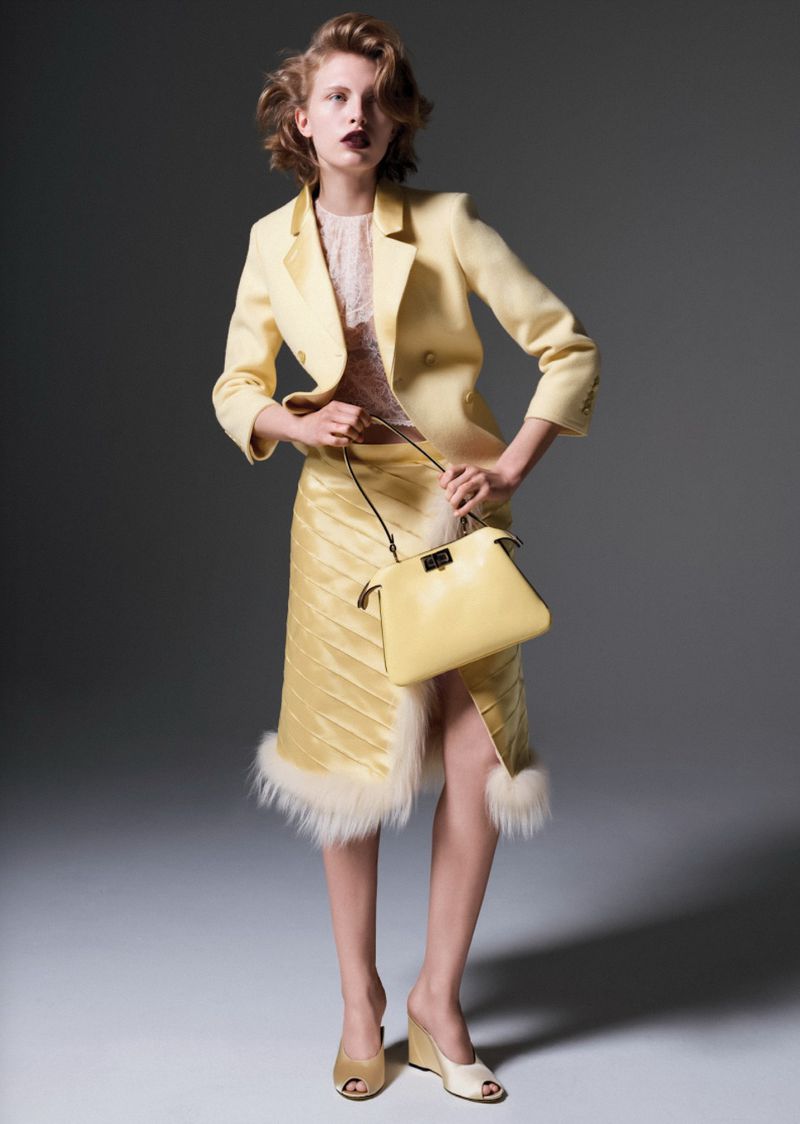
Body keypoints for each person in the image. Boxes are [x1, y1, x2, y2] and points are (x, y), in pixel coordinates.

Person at [212, 12, 601, 1103]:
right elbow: (235, 382)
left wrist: (513, 465)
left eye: (377, 99)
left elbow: (565, 346)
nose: (358, 114)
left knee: (477, 760)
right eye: (337, 96)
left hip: (453, 512)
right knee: (346, 780)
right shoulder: (267, 244)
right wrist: (294, 425)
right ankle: (358, 1005)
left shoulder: (444, 224)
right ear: (300, 118)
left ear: (398, 122)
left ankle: (437, 996)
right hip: (342, 526)